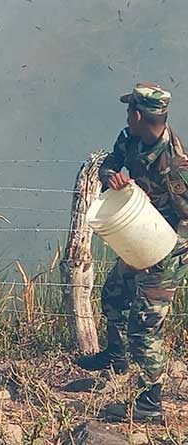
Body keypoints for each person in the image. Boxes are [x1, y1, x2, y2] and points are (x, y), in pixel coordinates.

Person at [75, 82, 188, 423]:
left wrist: (165, 256)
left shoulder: (176, 164)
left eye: (129, 111)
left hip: (171, 247)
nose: (126, 116)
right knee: (115, 294)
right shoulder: (130, 139)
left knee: (146, 324)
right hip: (143, 232)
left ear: (139, 114)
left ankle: (150, 403)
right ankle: (116, 357)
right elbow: (110, 162)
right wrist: (111, 176)